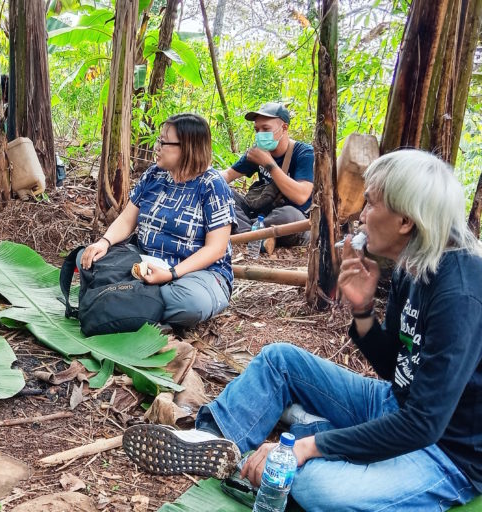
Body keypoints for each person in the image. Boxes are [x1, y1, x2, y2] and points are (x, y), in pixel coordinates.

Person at [123, 149, 482, 511]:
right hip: (395, 405)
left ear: (405, 220)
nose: (361, 216)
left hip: (446, 453)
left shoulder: (462, 294)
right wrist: (362, 310)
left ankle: (313, 433)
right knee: (280, 360)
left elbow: (423, 425)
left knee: (313, 487)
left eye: (371, 203)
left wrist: (310, 447)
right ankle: (209, 439)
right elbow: (395, 369)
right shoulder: (413, 266)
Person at [79, 113, 236, 328]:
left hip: (196, 274)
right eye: (158, 140)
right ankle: (138, 304)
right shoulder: (154, 175)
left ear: (188, 147)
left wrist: (170, 274)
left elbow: (216, 249)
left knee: (191, 304)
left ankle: (124, 301)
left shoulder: (212, 185)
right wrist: (104, 242)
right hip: (145, 262)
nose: (157, 146)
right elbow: (127, 220)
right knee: (86, 258)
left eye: (163, 142)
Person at [221, 102, 314, 249]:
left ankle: (247, 233)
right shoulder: (257, 152)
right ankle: (255, 237)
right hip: (261, 216)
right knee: (222, 193)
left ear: (284, 128)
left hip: (291, 220)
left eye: (265, 129)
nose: (260, 135)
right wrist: (202, 174)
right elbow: (227, 175)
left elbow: (301, 196)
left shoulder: (304, 153)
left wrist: (269, 164)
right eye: (257, 130)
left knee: (288, 215)